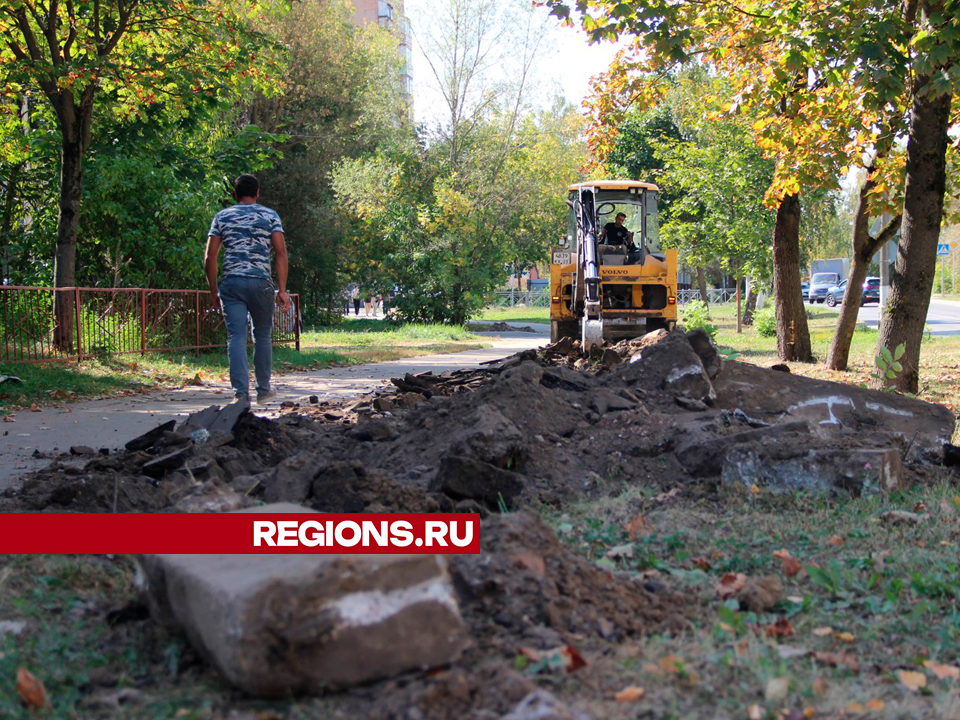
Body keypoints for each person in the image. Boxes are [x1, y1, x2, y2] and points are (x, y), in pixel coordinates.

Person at [204, 174, 290, 404]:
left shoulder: (222, 217)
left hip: (231, 284)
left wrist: (214, 291)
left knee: (236, 336)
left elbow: (210, 257)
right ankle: (263, 390)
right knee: (262, 334)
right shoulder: (270, 215)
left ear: (235, 194)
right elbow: (281, 253)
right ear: (258, 192)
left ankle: (241, 395)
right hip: (261, 283)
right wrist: (282, 290)